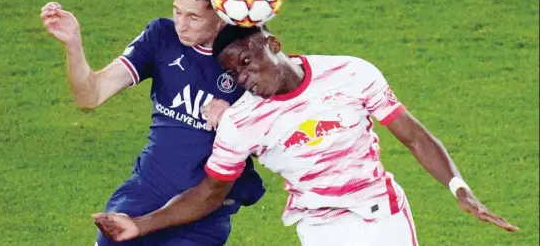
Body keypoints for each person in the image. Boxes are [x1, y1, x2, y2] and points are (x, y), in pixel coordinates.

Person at [92, 25, 519, 245]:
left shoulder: (350, 73)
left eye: (246, 61)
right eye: (233, 73)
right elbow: (208, 192)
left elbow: (414, 137)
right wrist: (140, 225)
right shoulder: (242, 122)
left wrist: (459, 188)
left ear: (272, 43)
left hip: (381, 218)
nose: (244, 77)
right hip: (319, 229)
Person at [40, 0, 265, 246]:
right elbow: (91, 95)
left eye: (193, 17)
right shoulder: (161, 37)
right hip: (144, 193)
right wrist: (73, 44)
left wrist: (236, 118)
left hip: (203, 211)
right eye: (177, 11)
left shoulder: (252, 60)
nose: (180, 25)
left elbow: (274, 143)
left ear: (221, 15)